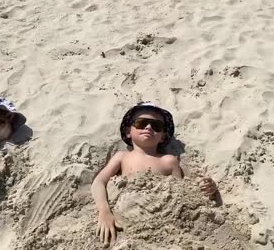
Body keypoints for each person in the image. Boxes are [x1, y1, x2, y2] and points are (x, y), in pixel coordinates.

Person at [90, 101, 218, 246]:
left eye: (156, 126)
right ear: (128, 132)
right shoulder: (122, 157)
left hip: (164, 227)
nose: (149, 127)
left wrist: (206, 189)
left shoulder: (168, 161)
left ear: (162, 136)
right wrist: (104, 211)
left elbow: (182, 195)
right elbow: (99, 182)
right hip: (127, 222)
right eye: (141, 123)